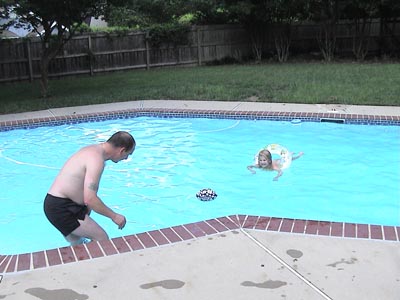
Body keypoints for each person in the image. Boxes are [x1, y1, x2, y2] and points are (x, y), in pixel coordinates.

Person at [44, 131, 136, 245]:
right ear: (122, 150)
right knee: (101, 239)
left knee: (78, 244)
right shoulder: (96, 160)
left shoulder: (92, 150)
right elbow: (90, 199)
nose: (126, 158)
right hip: (62, 208)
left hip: (60, 204)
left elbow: (82, 190)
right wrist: (114, 216)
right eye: (128, 154)